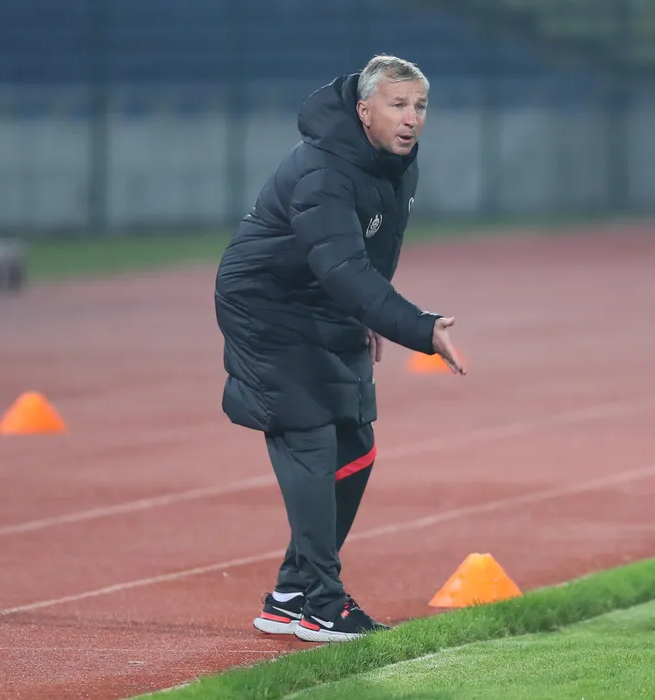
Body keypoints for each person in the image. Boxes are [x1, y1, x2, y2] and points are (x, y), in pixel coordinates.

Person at [213, 55, 467, 644]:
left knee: (356, 443)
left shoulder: (395, 165)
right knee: (310, 435)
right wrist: (418, 328)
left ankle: (290, 593)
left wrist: (366, 311)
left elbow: (371, 257)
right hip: (267, 305)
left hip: (324, 297)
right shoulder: (323, 171)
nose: (411, 118)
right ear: (364, 110)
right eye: (397, 105)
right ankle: (323, 605)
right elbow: (344, 268)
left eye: (420, 106)